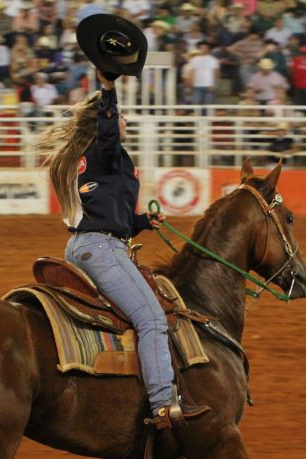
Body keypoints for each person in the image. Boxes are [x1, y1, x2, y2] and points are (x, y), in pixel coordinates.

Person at [40, 71, 210, 429]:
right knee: (151, 319)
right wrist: (108, 90)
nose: (124, 119)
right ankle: (163, 403)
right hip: (102, 249)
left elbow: (110, 213)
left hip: (87, 245)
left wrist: (142, 222)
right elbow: (108, 131)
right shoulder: (106, 150)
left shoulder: (97, 160)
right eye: (120, 115)